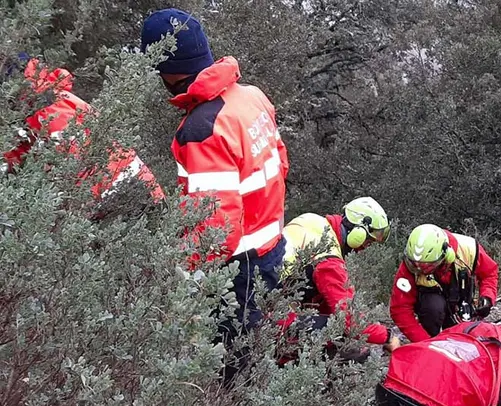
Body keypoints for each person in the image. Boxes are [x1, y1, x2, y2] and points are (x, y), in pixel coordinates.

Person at [140, 8, 289, 385]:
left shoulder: (202, 128)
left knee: (233, 368)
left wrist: (191, 276)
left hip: (240, 269)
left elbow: (214, 226)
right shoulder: (251, 97)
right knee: (255, 343)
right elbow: (281, 162)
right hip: (272, 246)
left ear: (165, 69)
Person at [1, 56, 165, 213]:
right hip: (141, 186)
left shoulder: (48, 116)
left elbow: (69, 176)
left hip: (119, 199)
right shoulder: (61, 98)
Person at [278, 197, 401, 355]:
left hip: (257, 307)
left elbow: (325, 301)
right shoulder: (328, 259)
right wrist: (388, 336)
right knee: (339, 332)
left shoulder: (313, 221)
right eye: (367, 241)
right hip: (273, 325)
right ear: (358, 231)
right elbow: (350, 320)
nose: (363, 248)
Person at [389, 224, 499, 343]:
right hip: (430, 305)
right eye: (414, 264)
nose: (420, 270)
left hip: (460, 296)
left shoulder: (469, 249)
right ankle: (433, 337)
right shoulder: (410, 266)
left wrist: (487, 297)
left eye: (427, 266)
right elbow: (400, 308)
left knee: (463, 333)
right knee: (433, 308)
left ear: (445, 256)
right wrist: (425, 342)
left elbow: (489, 273)